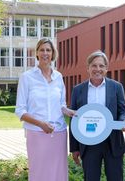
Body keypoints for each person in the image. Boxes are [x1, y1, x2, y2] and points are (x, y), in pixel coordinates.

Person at [15, 38, 75, 181]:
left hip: (59, 132)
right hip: (37, 133)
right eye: (42, 50)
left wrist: (68, 111)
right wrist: (41, 124)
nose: (45, 53)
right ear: (37, 53)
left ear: (53, 53)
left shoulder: (58, 77)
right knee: (39, 173)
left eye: (48, 50)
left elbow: (61, 104)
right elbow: (20, 110)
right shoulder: (27, 77)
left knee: (58, 173)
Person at [69, 50, 125, 181]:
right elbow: (73, 119)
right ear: (88, 68)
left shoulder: (116, 87)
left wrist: (122, 121)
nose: (98, 69)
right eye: (94, 65)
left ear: (106, 68)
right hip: (88, 143)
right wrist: (74, 148)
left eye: (101, 66)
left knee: (116, 178)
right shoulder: (78, 90)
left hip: (112, 142)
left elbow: (123, 111)